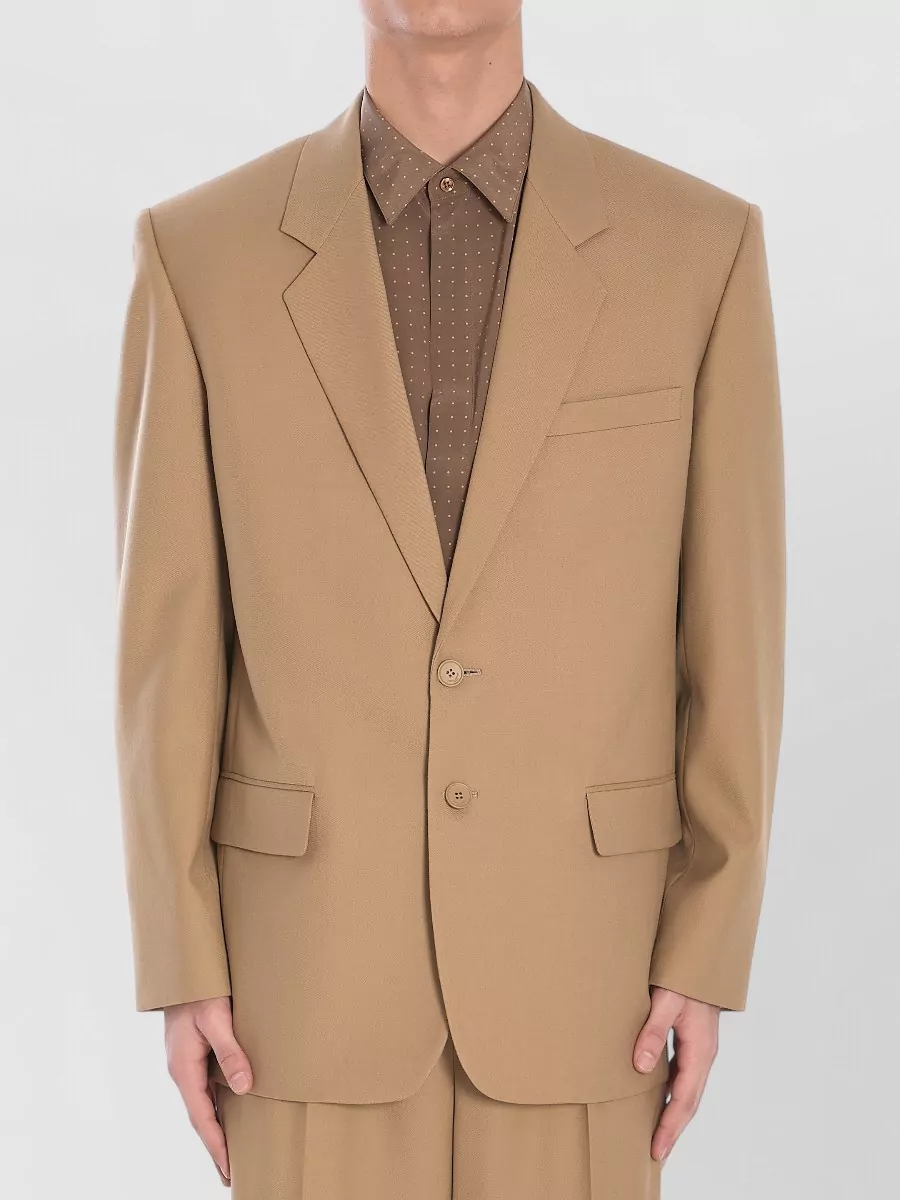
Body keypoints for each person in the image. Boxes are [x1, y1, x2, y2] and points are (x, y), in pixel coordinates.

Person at [112, 1, 785, 1195]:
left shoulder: (700, 248)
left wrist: (709, 937)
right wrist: (179, 951)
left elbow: (736, 634)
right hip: (297, 989)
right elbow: (166, 646)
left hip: (590, 979)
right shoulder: (199, 254)